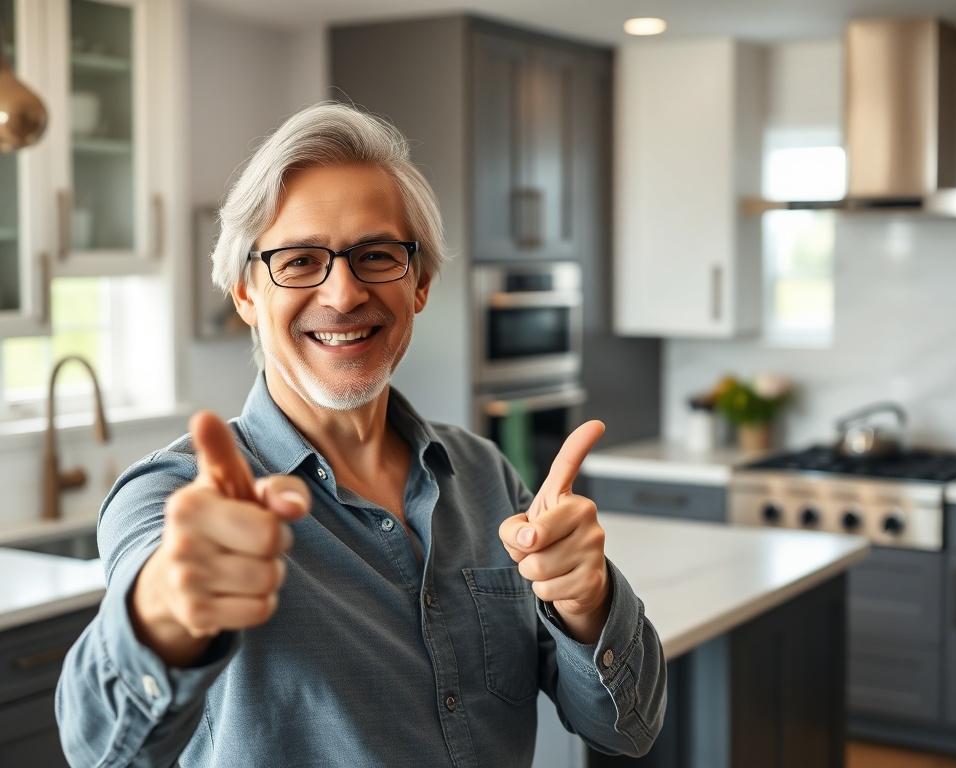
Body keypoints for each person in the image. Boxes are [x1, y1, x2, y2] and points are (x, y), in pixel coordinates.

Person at [55, 102, 667, 767]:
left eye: (376, 255)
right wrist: (166, 609)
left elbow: (627, 728)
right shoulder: (173, 495)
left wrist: (587, 598)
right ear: (245, 294)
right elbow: (98, 750)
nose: (343, 295)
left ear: (421, 285)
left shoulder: (485, 475)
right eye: (298, 260)